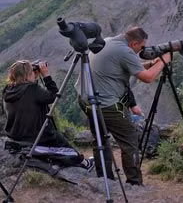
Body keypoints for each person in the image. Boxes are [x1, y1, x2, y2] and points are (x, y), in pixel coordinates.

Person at [78, 27, 170, 186]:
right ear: (134, 43)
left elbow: (127, 65)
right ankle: (134, 182)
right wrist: (163, 61)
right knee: (130, 140)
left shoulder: (107, 41)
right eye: (141, 47)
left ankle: (104, 179)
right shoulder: (124, 51)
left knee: (100, 139)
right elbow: (148, 78)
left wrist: (150, 63)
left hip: (86, 100)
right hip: (106, 105)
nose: (142, 50)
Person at [3, 59, 93, 170]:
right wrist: (46, 75)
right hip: (38, 138)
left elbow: (27, 94)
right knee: (63, 145)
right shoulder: (32, 89)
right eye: (32, 72)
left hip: (16, 136)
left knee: (58, 142)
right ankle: (84, 163)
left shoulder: (8, 90)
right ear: (26, 75)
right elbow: (55, 96)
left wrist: (32, 77)